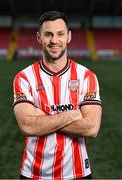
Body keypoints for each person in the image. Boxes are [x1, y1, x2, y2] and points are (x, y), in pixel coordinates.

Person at [13, 10, 102, 180]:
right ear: (39, 38)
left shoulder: (86, 76)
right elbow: (28, 127)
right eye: (48, 34)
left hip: (78, 174)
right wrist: (73, 114)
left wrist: (41, 118)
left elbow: (91, 128)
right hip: (34, 174)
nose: (54, 40)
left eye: (60, 34)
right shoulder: (24, 77)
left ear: (69, 36)